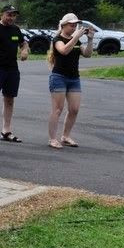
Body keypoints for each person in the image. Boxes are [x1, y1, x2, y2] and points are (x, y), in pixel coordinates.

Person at [0, 4, 29, 144]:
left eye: (14, 15)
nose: (11, 18)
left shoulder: (16, 30)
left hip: (12, 69)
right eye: (9, 14)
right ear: (1, 14)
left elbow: (23, 43)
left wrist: (25, 50)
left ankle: (6, 131)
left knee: (9, 99)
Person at [47, 12, 93, 149]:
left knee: (74, 109)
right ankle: (52, 138)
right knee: (57, 109)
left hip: (74, 78)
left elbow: (87, 54)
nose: (74, 28)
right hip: (59, 77)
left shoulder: (77, 41)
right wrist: (76, 37)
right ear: (63, 25)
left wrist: (89, 40)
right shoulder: (57, 40)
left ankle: (66, 136)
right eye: (72, 25)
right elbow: (64, 50)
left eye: (76, 25)